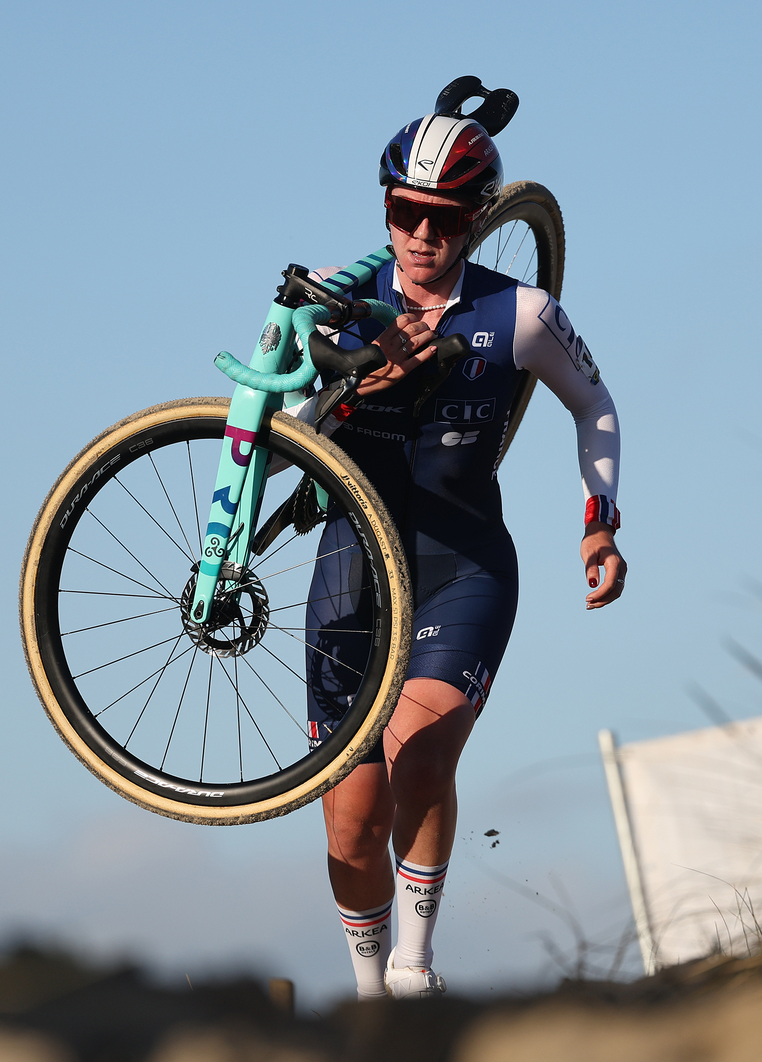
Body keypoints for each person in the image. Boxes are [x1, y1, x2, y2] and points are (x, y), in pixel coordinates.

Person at [301, 108, 626, 1000]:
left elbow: (595, 405)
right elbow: (281, 432)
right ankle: (369, 994)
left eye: (443, 218)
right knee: (353, 828)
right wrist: (356, 376)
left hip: (463, 570)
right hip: (350, 577)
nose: (419, 235)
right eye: (404, 212)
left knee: (421, 756)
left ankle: (412, 967)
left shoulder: (522, 312)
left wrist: (600, 516)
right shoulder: (333, 294)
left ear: (477, 216)